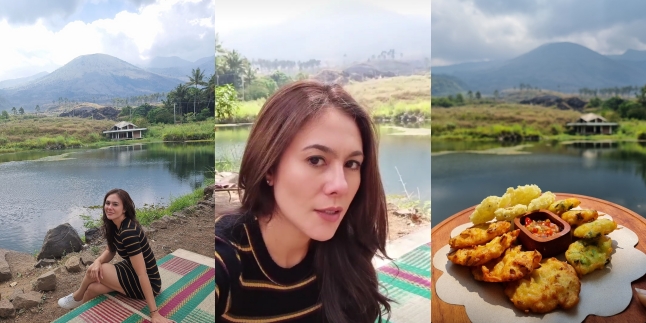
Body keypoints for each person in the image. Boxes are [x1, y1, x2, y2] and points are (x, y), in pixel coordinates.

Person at [215, 80, 392, 323]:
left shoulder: (347, 254)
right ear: (269, 167)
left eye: (352, 164)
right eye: (316, 160)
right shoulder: (225, 259)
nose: (340, 185)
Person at [58, 189, 173, 323]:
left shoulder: (128, 232)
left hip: (149, 282)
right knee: (92, 288)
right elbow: (111, 250)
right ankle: (85, 315)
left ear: (124, 209)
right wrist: (97, 261)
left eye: (115, 204)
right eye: (107, 203)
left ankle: (77, 297)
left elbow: (142, 274)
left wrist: (154, 314)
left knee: (101, 270)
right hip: (132, 270)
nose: (109, 207)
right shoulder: (115, 225)